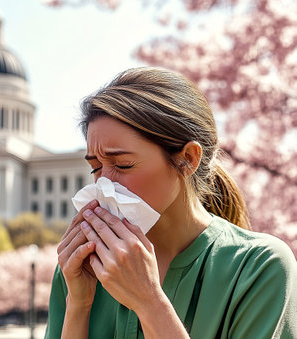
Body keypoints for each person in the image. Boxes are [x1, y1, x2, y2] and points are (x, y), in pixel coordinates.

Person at [44, 67, 297, 339]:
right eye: (95, 168)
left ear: (187, 159)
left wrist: (149, 301)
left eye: (122, 164)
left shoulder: (259, 267)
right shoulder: (80, 264)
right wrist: (78, 305)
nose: (103, 185)